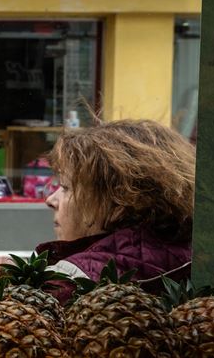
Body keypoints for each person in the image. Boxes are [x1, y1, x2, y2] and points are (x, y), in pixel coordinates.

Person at [37, 119, 194, 304]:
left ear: (119, 202)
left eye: (65, 187)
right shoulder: (195, 257)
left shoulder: (69, 282)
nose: (50, 200)